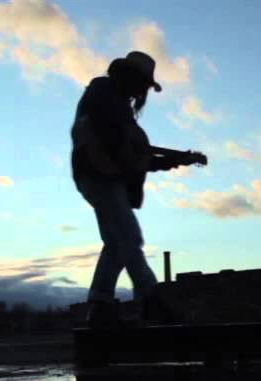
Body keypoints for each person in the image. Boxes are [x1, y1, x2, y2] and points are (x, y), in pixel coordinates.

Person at [71, 51, 185, 329]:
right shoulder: (106, 96)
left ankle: (100, 306)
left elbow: (131, 156)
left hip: (99, 176)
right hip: (101, 177)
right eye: (143, 83)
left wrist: (166, 161)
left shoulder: (110, 99)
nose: (143, 91)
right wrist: (157, 158)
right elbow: (125, 152)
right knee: (129, 237)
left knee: (116, 243)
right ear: (131, 77)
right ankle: (150, 299)